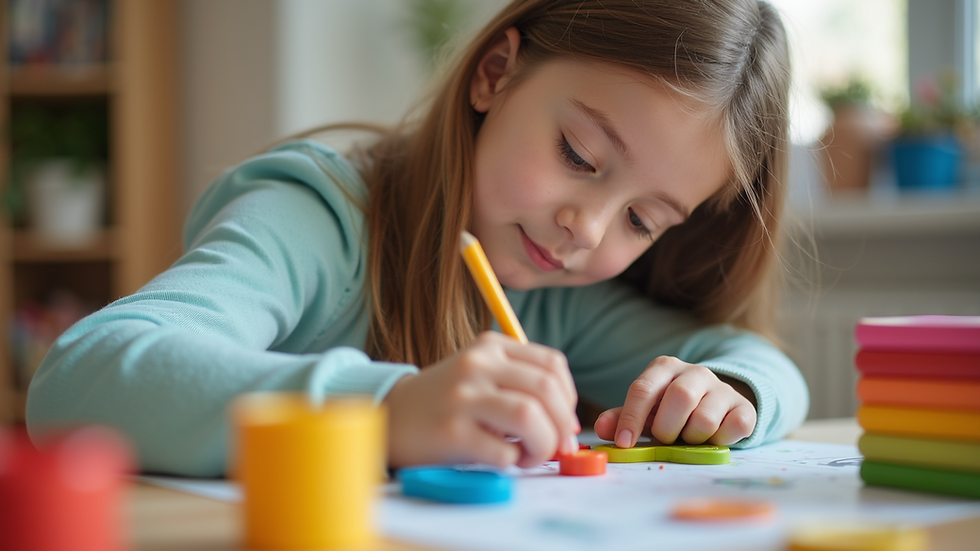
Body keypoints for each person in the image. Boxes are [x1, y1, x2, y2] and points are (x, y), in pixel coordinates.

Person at [27, 0, 808, 477]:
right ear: (495, 74)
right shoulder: (321, 218)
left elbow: (755, 361)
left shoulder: (551, 300)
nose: (587, 228)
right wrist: (386, 411)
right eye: (580, 155)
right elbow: (79, 379)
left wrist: (726, 395)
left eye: (643, 219)